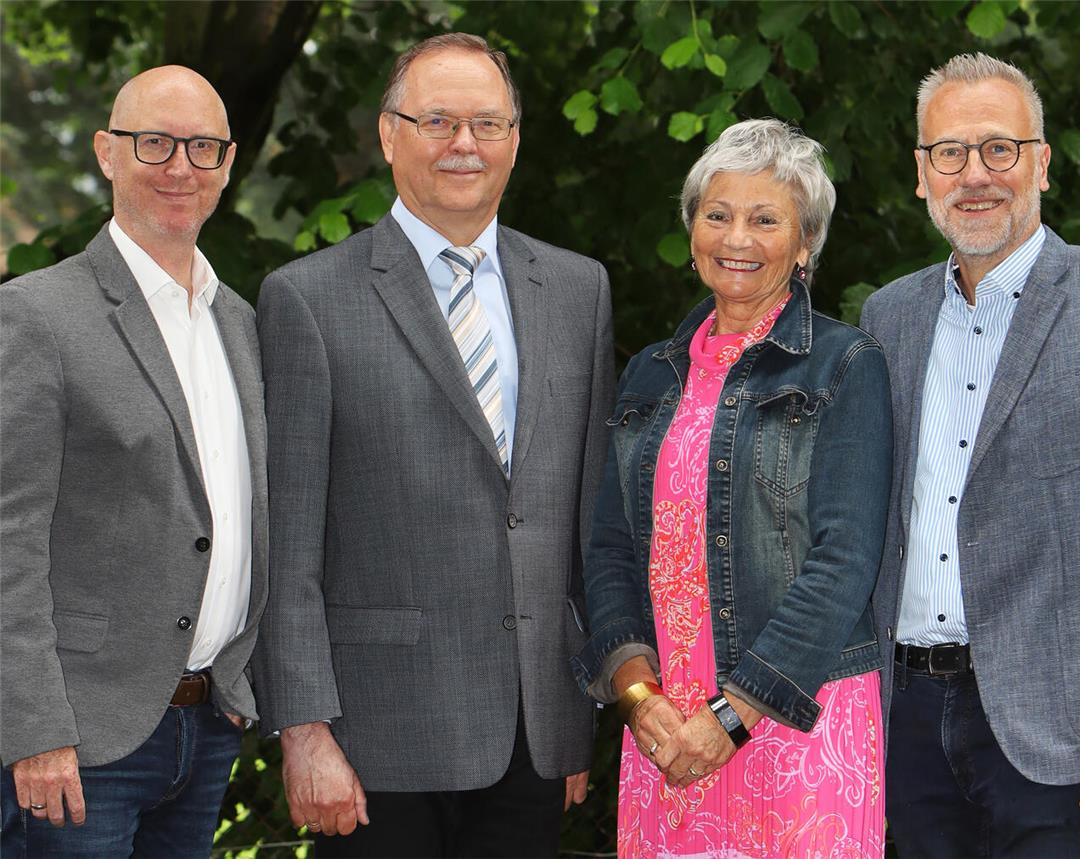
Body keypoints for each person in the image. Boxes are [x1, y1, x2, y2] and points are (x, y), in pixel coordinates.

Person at [251, 33, 615, 858]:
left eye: (488, 123)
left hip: (531, 732)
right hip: (375, 740)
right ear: (388, 135)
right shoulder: (307, 300)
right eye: (438, 121)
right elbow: (289, 545)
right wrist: (304, 729)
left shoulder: (577, 290)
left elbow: (583, 521)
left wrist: (571, 715)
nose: (464, 144)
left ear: (516, 141)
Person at [572, 118, 893, 857]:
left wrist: (733, 714)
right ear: (691, 232)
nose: (736, 237)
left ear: (804, 243)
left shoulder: (845, 365)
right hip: (667, 728)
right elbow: (610, 550)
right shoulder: (650, 372)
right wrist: (637, 696)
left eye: (765, 218)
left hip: (794, 717)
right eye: (717, 214)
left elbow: (844, 563)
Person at [860, 52, 1080, 857]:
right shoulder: (890, 318)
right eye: (949, 152)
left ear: (1042, 162)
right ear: (921, 174)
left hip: (1065, 730)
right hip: (907, 720)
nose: (974, 173)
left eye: (999, 148)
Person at [0, 66, 267, 857]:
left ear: (227, 163)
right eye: (154, 143)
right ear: (106, 153)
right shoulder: (38, 314)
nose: (180, 167)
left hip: (206, 727)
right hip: (79, 744)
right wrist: (35, 729)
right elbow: (7, 540)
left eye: (202, 147)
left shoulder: (240, 323)